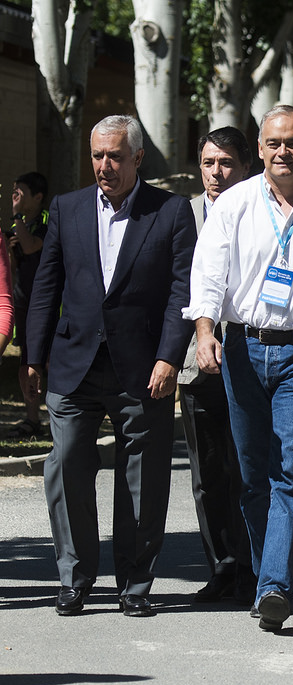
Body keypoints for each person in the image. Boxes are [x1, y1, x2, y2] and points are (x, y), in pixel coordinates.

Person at [184, 105, 293, 632]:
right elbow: (210, 271)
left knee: (290, 472)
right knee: (252, 476)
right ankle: (270, 581)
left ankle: (273, 587)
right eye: (272, 143)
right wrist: (204, 332)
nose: (282, 152)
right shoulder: (236, 202)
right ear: (259, 149)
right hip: (243, 347)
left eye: (292, 143)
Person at [25, 114, 197, 618]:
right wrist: (34, 356)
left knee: (142, 478)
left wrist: (169, 356)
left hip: (143, 367)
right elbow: (46, 289)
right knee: (66, 465)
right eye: (97, 155)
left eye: (114, 156)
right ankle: (75, 578)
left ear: (138, 158)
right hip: (73, 363)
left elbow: (182, 292)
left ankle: (135, 584)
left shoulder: (170, 213)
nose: (104, 165)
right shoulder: (67, 208)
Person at [179, 126, 254, 605]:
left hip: (251, 357)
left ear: (246, 167)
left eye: (225, 163)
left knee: (248, 468)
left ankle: (255, 570)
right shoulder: (181, 215)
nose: (216, 173)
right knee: (208, 474)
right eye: (208, 163)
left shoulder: (262, 211)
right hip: (195, 361)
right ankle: (222, 567)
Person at [6, 172, 48, 438]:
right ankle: (32, 418)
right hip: (22, 302)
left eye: (20, 192)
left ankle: (56, 416)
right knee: (26, 362)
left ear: (38, 197)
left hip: (45, 305)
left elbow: (32, 247)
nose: (16, 197)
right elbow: (12, 268)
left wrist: (17, 216)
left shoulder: (46, 222)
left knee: (49, 361)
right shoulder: (16, 227)